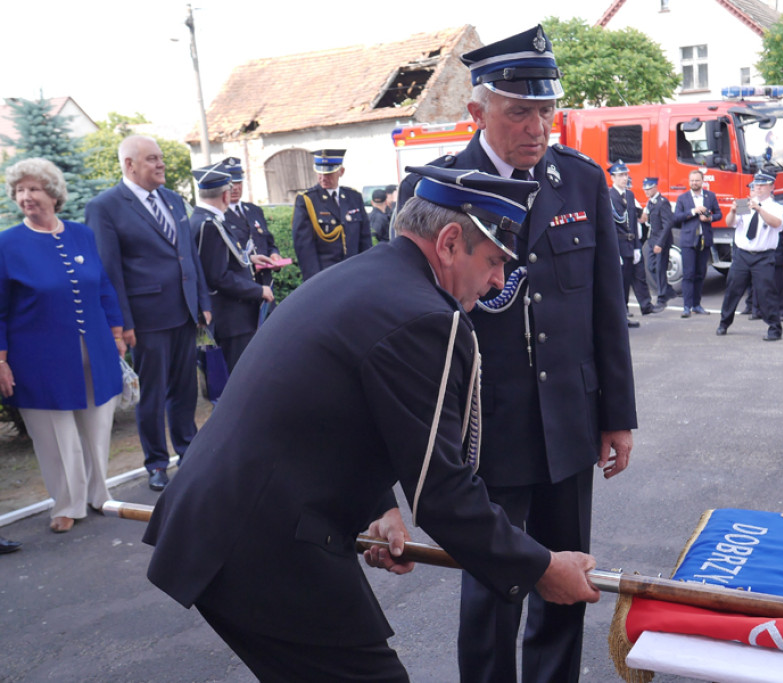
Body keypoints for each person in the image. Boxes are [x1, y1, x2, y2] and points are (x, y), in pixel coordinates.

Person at [143, 166, 601, 682]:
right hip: (263, 544)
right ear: (450, 242)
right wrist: (541, 569)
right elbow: (443, 494)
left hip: (230, 525)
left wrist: (380, 506)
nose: (499, 280)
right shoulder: (427, 317)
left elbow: (343, 408)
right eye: (494, 260)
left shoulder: (368, 277)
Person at [396, 25, 636, 683]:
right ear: (477, 111)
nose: (537, 127)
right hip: (488, 425)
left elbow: (604, 307)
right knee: (493, 590)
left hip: (569, 419)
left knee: (567, 581)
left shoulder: (579, 180)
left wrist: (617, 415)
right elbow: (413, 319)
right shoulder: (435, 187)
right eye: (519, 112)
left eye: (545, 111)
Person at [1, 158, 125, 532]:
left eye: (33, 189)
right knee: (55, 434)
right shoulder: (6, 244)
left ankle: (99, 493)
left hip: (95, 349)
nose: (26, 196)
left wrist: (117, 333)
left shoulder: (81, 234)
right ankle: (67, 504)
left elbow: (102, 285)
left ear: (53, 194)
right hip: (38, 358)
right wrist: (1, 360)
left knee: (97, 425)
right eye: (19, 190)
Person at [85, 136, 211, 492]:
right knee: (152, 395)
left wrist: (202, 300)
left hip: (184, 312)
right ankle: (156, 462)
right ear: (130, 165)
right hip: (145, 320)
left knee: (185, 390)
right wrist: (121, 323)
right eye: (152, 159)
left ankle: (188, 452)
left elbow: (189, 255)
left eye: (161, 158)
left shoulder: (172, 199)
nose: (161, 164)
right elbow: (109, 270)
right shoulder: (105, 206)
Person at [191, 164, 274, 374]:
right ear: (225, 195)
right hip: (231, 319)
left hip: (231, 318)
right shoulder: (210, 225)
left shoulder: (204, 219)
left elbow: (217, 261)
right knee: (240, 376)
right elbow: (218, 276)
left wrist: (249, 259)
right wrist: (259, 290)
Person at [716, 172, 783, 341]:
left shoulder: (775, 207)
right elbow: (730, 223)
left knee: (766, 292)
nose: (758, 188)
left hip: (763, 256)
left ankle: (774, 328)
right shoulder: (744, 203)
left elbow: (776, 223)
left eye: (762, 185)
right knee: (733, 289)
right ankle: (724, 323)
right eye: (756, 185)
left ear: (771, 187)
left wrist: (759, 209)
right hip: (742, 254)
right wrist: (733, 211)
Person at [291, 149, 372, 281]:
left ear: (341, 171)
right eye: (320, 173)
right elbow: (304, 247)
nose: (323, 178)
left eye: (329, 173)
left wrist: (366, 270)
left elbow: (365, 239)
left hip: (355, 273)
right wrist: (314, 280)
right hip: (325, 276)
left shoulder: (353, 197)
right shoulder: (307, 200)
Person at [221, 157, 283, 292]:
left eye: (238, 182)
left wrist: (274, 255)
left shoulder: (254, 210)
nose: (235, 188)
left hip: (265, 283)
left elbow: (269, 243)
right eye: (231, 183)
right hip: (242, 287)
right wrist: (250, 261)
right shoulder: (219, 216)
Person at [608, 160, 654, 325]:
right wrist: (614, 251)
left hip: (630, 243)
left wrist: (636, 247)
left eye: (626, 175)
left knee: (628, 281)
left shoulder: (629, 195)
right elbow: (610, 226)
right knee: (619, 283)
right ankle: (620, 317)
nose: (624, 178)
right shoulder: (609, 196)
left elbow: (633, 222)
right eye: (620, 175)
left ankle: (625, 314)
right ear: (613, 178)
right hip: (619, 244)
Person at [673, 169, 722, 317]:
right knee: (688, 274)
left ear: (702, 181)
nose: (694, 183)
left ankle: (697, 305)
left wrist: (710, 218)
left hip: (704, 240)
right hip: (688, 241)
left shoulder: (710, 196)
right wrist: (693, 211)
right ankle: (686, 307)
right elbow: (676, 218)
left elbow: (719, 214)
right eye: (692, 180)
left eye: (697, 180)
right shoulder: (683, 198)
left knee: (700, 274)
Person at [643, 177, 675, 310]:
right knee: (651, 266)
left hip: (661, 241)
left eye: (649, 189)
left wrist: (660, 244)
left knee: (661, 268)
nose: (646, 191)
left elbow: (667, 224)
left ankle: (662, 297)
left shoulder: (662, 202)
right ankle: (668, 290)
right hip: (652, 239)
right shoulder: (650, 203)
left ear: (655, 187)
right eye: (645, 189)